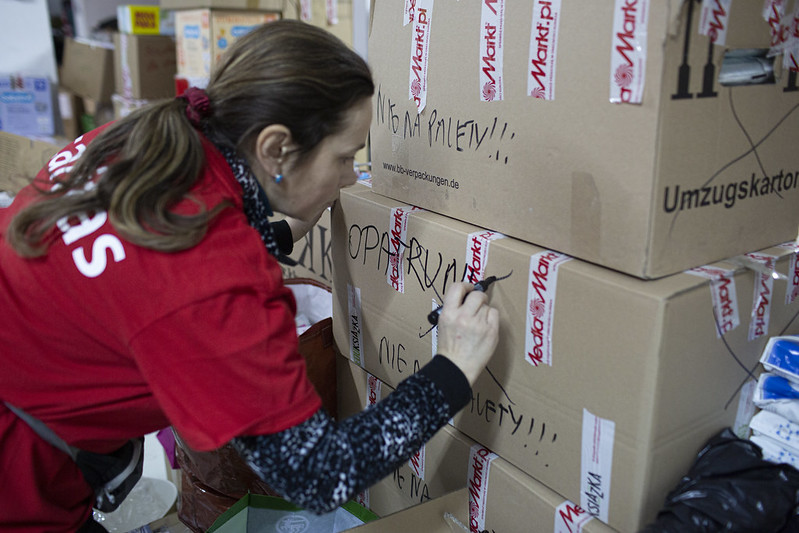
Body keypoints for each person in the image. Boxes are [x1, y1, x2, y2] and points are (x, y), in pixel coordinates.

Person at [0, 20, 499, 532]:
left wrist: (270, 232)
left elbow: (141, 264)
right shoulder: (213, 278)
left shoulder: (149, 136)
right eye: (345, 157)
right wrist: (453, 369)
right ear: (276, 149)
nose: (352, 177)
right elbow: (318, 473)